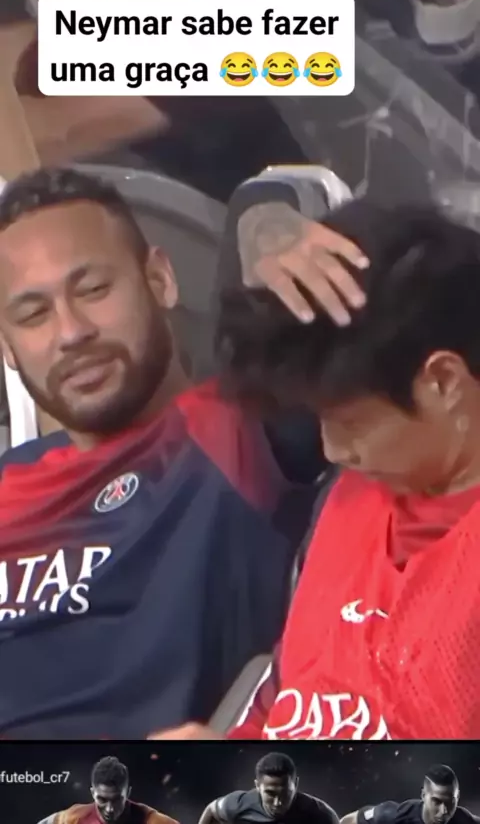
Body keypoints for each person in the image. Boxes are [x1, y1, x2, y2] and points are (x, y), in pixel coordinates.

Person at [0, 168, 365, 739]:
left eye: (94, 290)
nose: (71, 333)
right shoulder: (10, 480)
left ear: (161, 279)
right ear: (8, 347)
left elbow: (279, 203)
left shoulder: (234, 428)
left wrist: (265, 226)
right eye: (32, 315)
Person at [150, 198, 480, 740]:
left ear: (443, 382)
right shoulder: (350, 499)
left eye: (351, 423)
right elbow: (288, 700)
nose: (331, 449)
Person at [198, 752, 339, 824]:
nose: (278, 802)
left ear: (295, 784)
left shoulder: (320, 815)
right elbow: (212, 809)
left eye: (285, 794)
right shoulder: (239, 804)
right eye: (270, 793)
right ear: (257, 786)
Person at [37, 755, 177, 823]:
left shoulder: (151, 820)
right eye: (102, 799)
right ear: (93, 793)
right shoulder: (75, 817)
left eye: (116, 800)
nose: (109, 809)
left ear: (127, 793)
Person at [341, 764, 479, 824]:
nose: (444, 811)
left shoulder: (464, 819)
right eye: (437, 802)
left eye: (450, 802)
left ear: (457, 797)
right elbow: (349, 820)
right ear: (423, 796)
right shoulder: (392, 816)